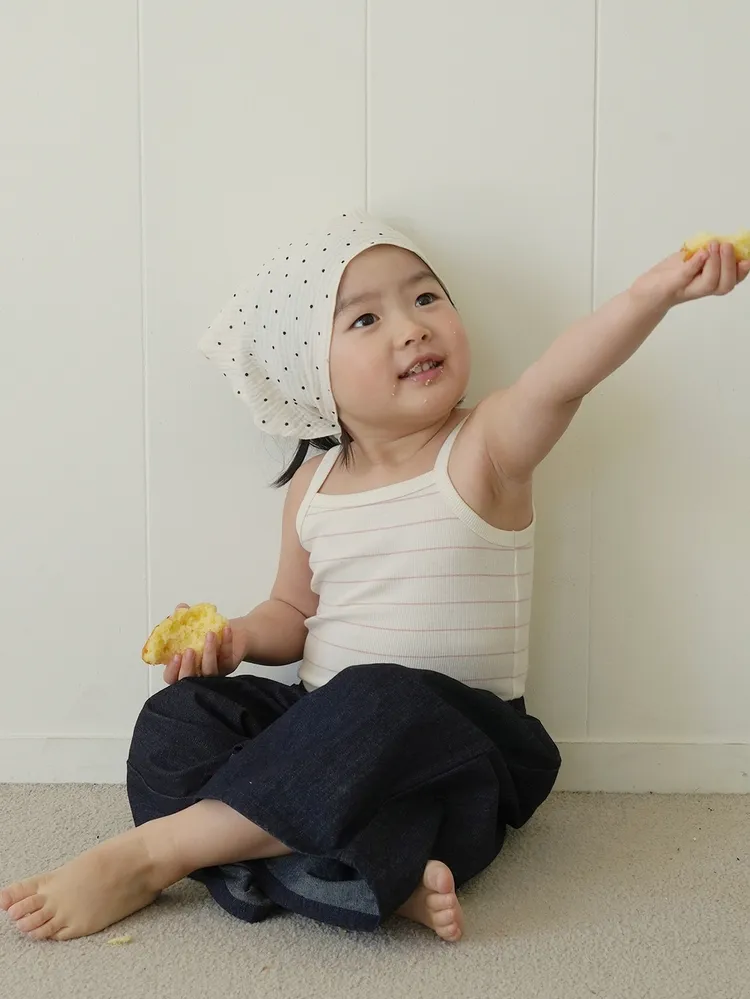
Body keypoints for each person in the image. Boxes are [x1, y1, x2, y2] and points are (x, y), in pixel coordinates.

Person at [2, 213, 747, 943]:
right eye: (365, 319)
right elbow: (291, 610)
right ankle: (358, 876)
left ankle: (157, 853)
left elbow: (560, 380)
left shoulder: (484, 446)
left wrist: (652, 293)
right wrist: (238, 639)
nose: (413, 328)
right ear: (314, 377)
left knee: (382, 696)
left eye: (426, 298)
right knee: (177, 719)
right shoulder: (315, 485)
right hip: (320, 730)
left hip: (452, 747)